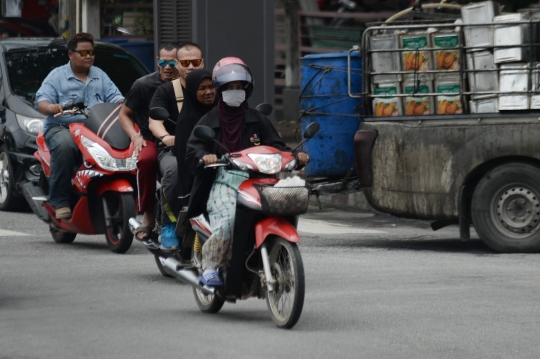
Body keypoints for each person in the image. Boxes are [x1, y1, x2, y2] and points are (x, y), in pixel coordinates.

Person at [185, 58, 309, 286]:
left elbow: (278, 146)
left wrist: (295, 157)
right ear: (221, 90)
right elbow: (194, 150)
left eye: (239, 87)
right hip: (224, 181)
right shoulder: (208, 120)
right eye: (230, 88)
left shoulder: (258, 119)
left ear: (247, 89)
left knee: (284, 209)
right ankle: (211, 265)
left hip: (261, 180)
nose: (235, 91)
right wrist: (206, 157)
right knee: (229, 219)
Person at [34, 32, 124, 219]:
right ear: (70, 54)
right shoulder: (56, 76)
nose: (88, 56)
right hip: (62, 128)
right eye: (83, 53)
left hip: (95, 129)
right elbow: (41, 101)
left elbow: (116, 98)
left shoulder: (100, 75)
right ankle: (60, 201)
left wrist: (124, 103)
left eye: (91, 52)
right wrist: (51, 107)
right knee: (65, 145)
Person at [118, 42, 180, 240]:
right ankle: (148, 216)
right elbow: (124, 115)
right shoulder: (143, 84)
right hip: (151, 139)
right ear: (157, 61)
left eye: (172, 62)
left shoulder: (187, 84)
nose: (168, 66)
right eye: (163, 61)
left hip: (181, 138)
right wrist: (135, 136)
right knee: (145, 160)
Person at [148, 41, 205, 250]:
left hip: (207, 151)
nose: (191, 66)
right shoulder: (165, 91)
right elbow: (154, 121)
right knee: (173, 172)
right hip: (173, 151)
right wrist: (165, 137)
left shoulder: (211, 89)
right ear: (178, 64)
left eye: (195, 62)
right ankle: (169, 224)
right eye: (186, 62)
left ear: (203, 63)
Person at [174, 69, 216, 214]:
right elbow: (188, 156)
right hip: (197, 180)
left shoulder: (220, 113)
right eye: (202, 88)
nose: (209, 92)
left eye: (211, 86)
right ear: (192, 90)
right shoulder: (187, 120)